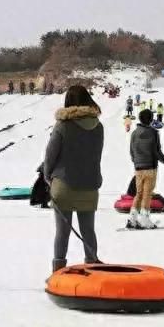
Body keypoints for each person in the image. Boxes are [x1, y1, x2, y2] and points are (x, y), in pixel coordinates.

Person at [44, 85, 104, 272]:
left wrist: (47, 175)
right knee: (88, 231)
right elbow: (97, 155)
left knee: (62, 232)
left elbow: (51, 154)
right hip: (90, 184)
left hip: (64, 184)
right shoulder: (98, 126)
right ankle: (93, 267)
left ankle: (58, 271)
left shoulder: (62, 126)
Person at [128, 109, 164, 229]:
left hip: (138, 168)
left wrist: (136, 162)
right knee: (147, 194)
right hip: (150, 167)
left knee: (139, 193)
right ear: (151, 119)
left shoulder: (134, 133)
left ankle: (132, 218)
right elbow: (156, 151)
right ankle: (145, 219)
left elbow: (131, 151)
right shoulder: (153, 132)